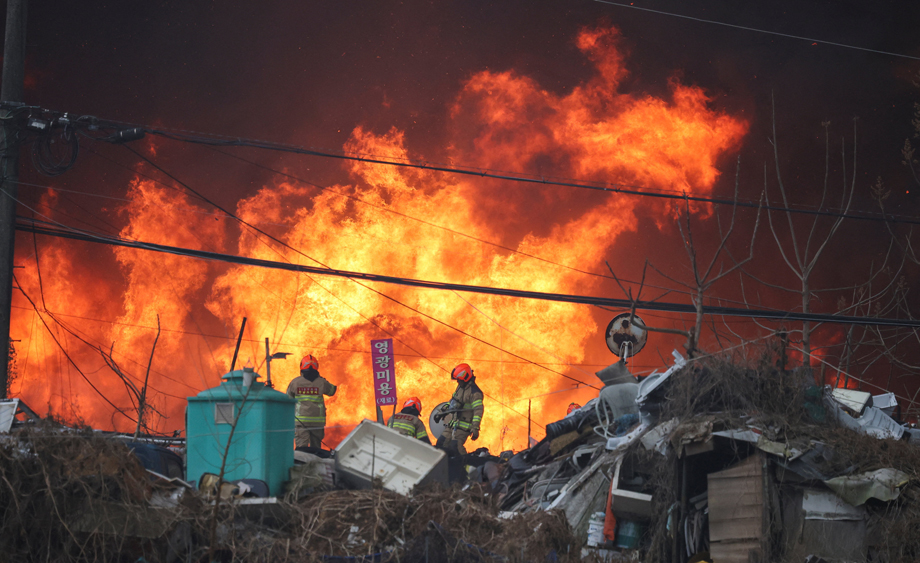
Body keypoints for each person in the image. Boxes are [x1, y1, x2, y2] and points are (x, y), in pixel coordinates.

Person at [286, 355, 337, 449]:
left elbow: (288, 399)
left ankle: (303, 464)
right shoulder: (321, 382)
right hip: (317, 422)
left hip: (301, 422)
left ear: (301, 367)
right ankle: (315, 463)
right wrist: (323, 380)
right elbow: (332, 391)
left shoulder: (295, 382)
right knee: (316, 450)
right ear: (316, 366)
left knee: (301, 449)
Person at [435, 363, 484, 454]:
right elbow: (453, 401)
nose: (458, 382)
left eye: (459, 380)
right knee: (440, 444)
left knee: (455, 447)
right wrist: (442, 412)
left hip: (463, 427)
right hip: (453, 425)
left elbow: (478, 410)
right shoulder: (460, 387)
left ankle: (465, 464)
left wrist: (475, 427)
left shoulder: (475, 393)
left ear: (465, 377)